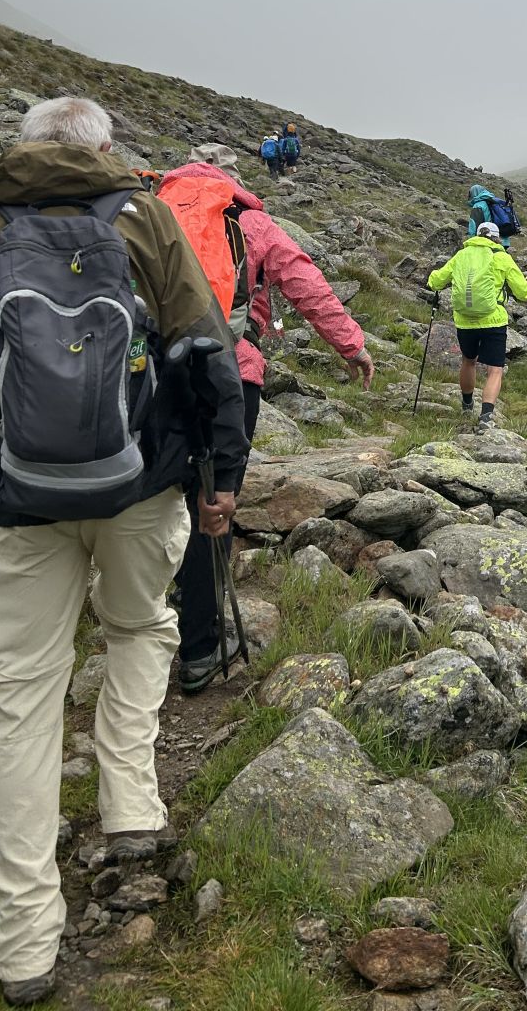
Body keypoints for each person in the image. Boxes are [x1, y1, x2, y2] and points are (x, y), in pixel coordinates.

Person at [0, 97, 248, 1007]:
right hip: (141, 486)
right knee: (139, 627)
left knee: (17, 698)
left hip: (17, 495)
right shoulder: (149, 220)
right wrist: (222, 480)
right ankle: (130, 800)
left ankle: (24, 942)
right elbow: (208, 351)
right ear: (104, 149)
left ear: (26, 147)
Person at [157, 158, 375, 693]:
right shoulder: (248, 223)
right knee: (214, 501)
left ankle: (146, 626)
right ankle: (201, 650)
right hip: (231, 376)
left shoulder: (148, 213)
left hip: (153, 379)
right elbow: (304, 281)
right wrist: (351, 345)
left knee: (160, 500)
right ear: (229, 184)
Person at [427, 221, 527, 431]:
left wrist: (432, 279)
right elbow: (522, 293)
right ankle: (486, 416)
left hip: (465, 320)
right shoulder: (501, 257)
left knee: (468, 361)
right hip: (493, 320)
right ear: (496, 238)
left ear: (476, 236)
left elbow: (436, 281)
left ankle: (467, 405)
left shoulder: (461, 255)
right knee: (495, 370)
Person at [466, 181, 511, 249]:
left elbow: (473, 225)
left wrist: (471, 241)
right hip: (502, 241)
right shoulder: (493, 202)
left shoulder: (478, 206)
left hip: (487, 242)